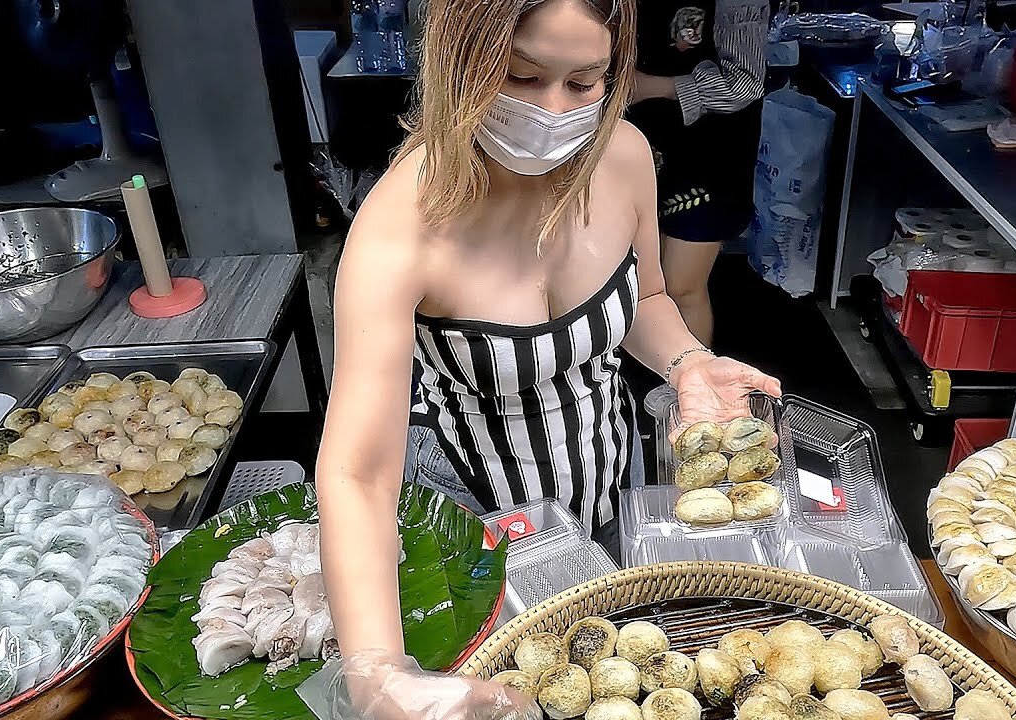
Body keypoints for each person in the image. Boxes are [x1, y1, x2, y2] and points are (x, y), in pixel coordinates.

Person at [316, 0, 780, 716]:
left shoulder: (622, 158)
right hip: (473, 516)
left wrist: (688, 360)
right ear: (460, 62)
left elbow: (648, 295)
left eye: (584, 81)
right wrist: (377, 672)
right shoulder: (401, 228)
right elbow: (356, 472)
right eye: (522, 77)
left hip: (602, 470)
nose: (554, 109)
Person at [626, 0, 769, 345]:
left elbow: (744, 85)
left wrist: (647, 86)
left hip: (709, 155)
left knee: (681, 287)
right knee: (644, 280)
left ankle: (690, 390)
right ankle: (653, 374)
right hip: (643, 144)